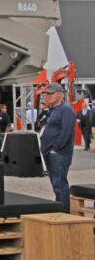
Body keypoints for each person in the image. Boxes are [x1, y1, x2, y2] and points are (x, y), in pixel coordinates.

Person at [39, 82, 76, 212]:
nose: (48, 96)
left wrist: (56, 148)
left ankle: (64, 212)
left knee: (60, 183)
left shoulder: (66, 110)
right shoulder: (52, 110)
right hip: (50, 153)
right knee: (56, 184)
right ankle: (59, 208)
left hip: (59, 154)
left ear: (60, 95)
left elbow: (67, 131)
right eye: (47, 93)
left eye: (51, 93)